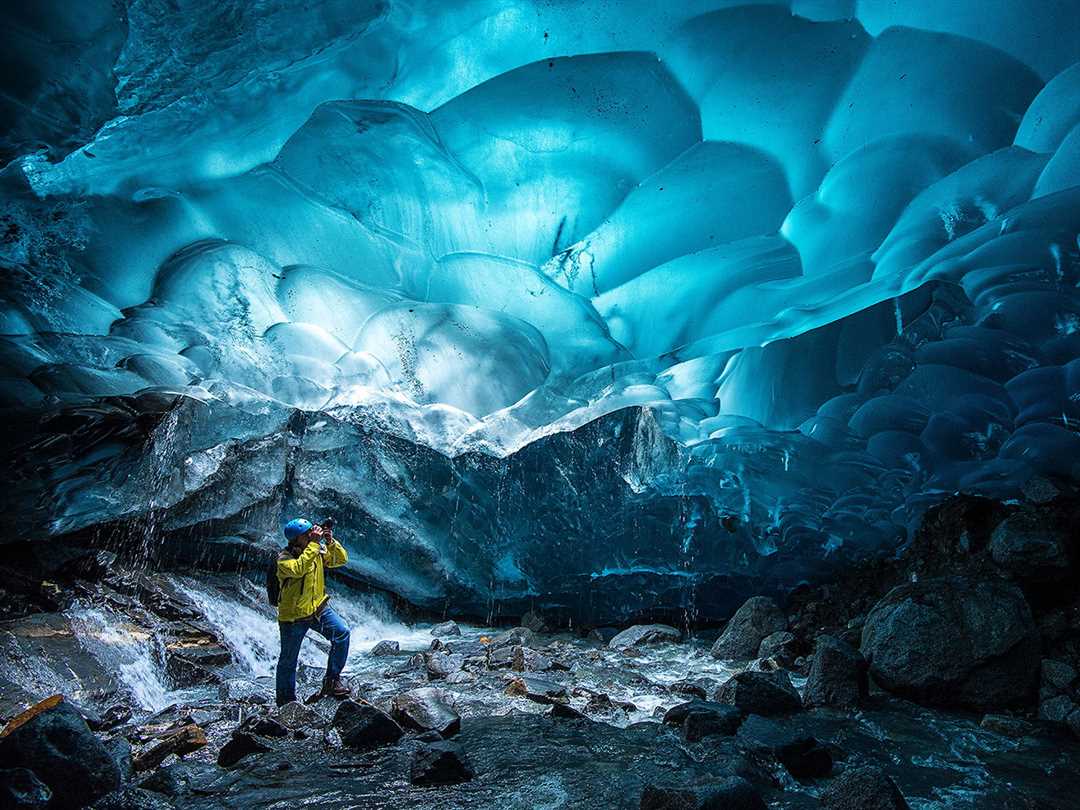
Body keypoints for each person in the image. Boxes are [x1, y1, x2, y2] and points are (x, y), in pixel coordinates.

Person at [275, 517, 351, 706]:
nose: (312, 534)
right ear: (297, 539)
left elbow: (340, 559)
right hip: (293, 617)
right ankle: (286, 702)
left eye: (312, 531)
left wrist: (329, 541)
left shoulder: (315, 550)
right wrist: (315, 544)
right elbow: (299, 569)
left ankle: (332, 681)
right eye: (308, 533)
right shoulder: (284, 559)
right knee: (288, 660)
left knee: (342, 634)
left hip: (318, 609)